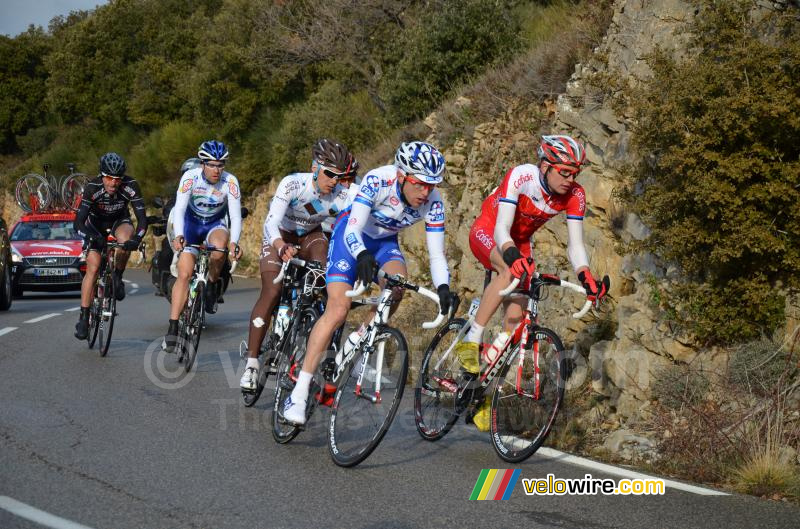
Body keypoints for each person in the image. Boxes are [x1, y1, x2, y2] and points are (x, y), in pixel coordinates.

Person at [281, 140, 458, 425]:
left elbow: (437, 254)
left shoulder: (434, 201)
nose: (426, 192)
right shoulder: (379, 180)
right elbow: (353, 226)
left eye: (432, 184)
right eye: (420, 184)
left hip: (384, 243)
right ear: (402, 176)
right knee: (338, 309)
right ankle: (299, 392)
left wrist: (443, 287)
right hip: (350, 236)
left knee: (397, 285)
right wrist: (361, 254)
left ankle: (358, 336)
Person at [457, 134, 609, 431]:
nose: (569, 179)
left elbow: (575, 244)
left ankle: (480, 390)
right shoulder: (522, 175)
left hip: (521, 242)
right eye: (563, 171)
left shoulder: (575, 195)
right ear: (544, 166)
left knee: (514, 326)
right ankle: (471, 340)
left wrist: (585, 275)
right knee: (509, 272)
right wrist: (511, 255)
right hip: (490, 231)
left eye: (574, 173)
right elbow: (502, 227)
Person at [239, 139, 358, 391]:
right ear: (315, 167)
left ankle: (305, 320)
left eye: (340, 176)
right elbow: (271, 222)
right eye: (329, 174)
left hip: (310, 236)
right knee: (272, 290)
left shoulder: (345, 194)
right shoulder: (293, 183)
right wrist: (280, 245)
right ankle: (251, 364)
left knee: (324, 272)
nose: (334, 181)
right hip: (281, 234)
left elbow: (367, 213)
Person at [163, 140, 243, 352]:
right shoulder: (190, 178)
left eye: (221, 165)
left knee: (220, 248)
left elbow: (235, 216)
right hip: (191, 225)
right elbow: (179, 209)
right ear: (202, 164)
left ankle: (211, 284)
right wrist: (179, 234)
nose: (217, 170)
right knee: (184, 274)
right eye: (212, 165)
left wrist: (234, 242)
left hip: (215, 225)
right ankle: (172, 328)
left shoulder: (230, 182)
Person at [73, 152, 148, 339]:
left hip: (119, 221)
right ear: (101, 175)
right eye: (108, 178)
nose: (113, 183)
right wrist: (91, 237)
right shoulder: (92, 187)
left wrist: (136, 239)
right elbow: (78, 223)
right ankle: (83, 316)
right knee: (94, 266)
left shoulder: (131, 186)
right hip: (94, 225)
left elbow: (142, 220)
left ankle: (117, 277)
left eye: (117, 179)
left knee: (124, 241)